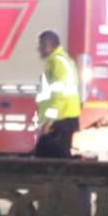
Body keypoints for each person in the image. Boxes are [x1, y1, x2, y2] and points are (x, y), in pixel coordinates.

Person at [32, 30, 81, 158]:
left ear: (51, 46)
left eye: (42, 45)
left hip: (61, 118)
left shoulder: (57, 62)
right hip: (63, 117)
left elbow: (59, 94)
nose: (39, 49)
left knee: (47, 156)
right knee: (55, 158)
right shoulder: (59, 61)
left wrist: (49, 120)